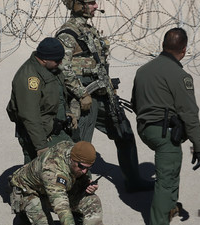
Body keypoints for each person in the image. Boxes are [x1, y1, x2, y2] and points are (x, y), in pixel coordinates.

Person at [56, 0, 153, 192]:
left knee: (124, 133)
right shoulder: (68, 35)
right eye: (90, 3)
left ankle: (133, 180)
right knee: (81, 147)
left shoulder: (88, 31)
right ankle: (76, 191)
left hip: (103, 95)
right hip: (84, 100)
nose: (95, 6)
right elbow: (62, 68)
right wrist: (81, 93)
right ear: (78, 5)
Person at [131, 27, 200, 225]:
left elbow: (135, 103)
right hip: (165, 134)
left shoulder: (143, 70)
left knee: (171, 171)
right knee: (166, 181)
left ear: (163, 45)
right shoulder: (180, 76)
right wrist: (198, 145)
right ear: (183, 50)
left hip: (146, 129)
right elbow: (189, 113)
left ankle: (169, 208)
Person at [7, 37, 77, 163]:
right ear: (45, 59)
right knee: (39, 175)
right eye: (57, 60)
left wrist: (67, 112)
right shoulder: (29, 77)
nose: (60, 63)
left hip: (55, 129)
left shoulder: (52, 70)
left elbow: (59, 94)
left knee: (73, 162)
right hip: (39, 136)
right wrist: (41, 146)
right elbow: (29, 115)